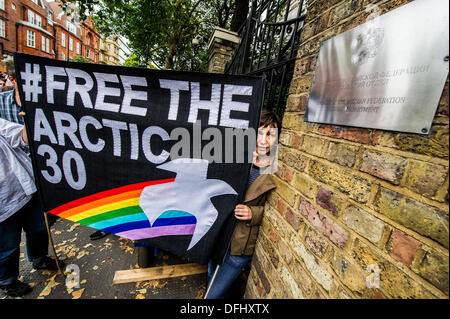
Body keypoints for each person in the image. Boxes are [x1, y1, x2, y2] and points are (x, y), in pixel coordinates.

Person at [205, 109, 281, 299]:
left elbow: (277, 211)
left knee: (214, 294)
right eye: (259, 132)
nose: (263, 140)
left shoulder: (277, 170)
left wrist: (253, 213)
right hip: (219, 234)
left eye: (270, 134)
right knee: (210, 275)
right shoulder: (239, 158)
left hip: (240, 244)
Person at [0, 114, 65, 298]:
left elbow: (20, 137)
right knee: (8, 246)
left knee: (39, 228)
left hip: (25, 188)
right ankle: (7, 281)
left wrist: (30, 117)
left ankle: (39, 258)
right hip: (4, 203)